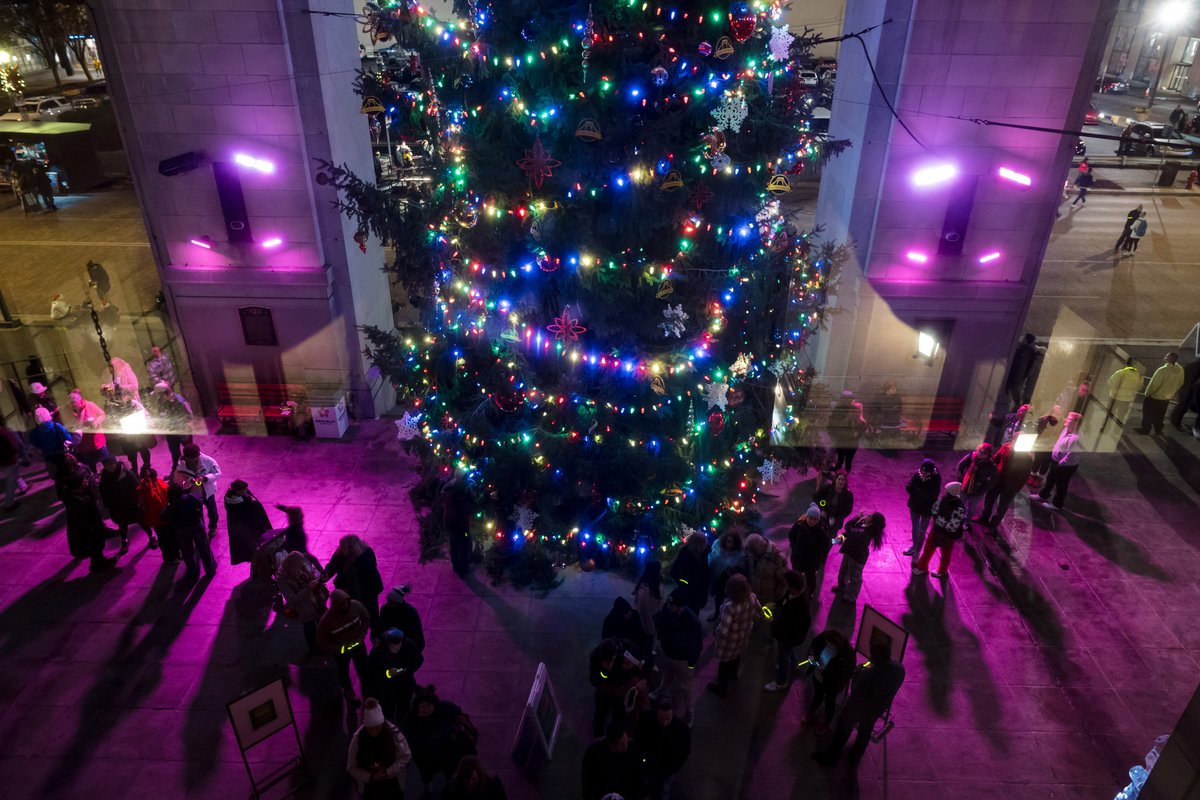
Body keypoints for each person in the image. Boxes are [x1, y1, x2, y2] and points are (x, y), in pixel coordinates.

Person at [813, 639, 905, 766]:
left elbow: (855, 689)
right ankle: (855, 757)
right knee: (865, 732)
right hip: (877, 709)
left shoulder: (869, 674)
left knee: (843, 729)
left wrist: (857, 673)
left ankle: (831, 756)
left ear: (875, 658)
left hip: (857, 708)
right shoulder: (899, 669)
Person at [402, 684, 478, 796]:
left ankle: (449, 784)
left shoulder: (444, 711)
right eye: (422, 707)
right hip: (425, 756)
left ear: (433, 704)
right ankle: (428, 786)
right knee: (427, 773)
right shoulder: (411, 721)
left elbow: (457, 713)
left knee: (449, 771)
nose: (425, 709)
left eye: (428, 706)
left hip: (445, 752)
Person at [652, 589, 702, 727]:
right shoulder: (668, 610)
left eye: (671, 605)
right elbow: (662, 624)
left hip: (683, 660)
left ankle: (690, 710)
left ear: (680, 606)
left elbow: (697, 645)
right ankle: (661, 690)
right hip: (668, 654)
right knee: (667, 676)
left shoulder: (693, 621)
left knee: (686, 686)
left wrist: (691, 664)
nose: (668, 607)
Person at [347, 697, 412, 800]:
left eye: (377, 727)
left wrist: (389, 772)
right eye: (370, 729)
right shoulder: (358, 739)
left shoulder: (394, 734)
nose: (374, 732)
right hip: (370, 786)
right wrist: (370, 777)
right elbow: (351, 766)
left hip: (392, 784)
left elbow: (405, 756)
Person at [707, 573, 759, 697]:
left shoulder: (730, 607)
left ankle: (722, 689)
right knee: (736, 655)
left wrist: (716, 632)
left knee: (724, 663)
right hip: (743, 635)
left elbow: (724, 630)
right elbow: (758, 612)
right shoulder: (752, 597)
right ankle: (733, 674)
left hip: (729, 641)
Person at [318, 588, 371, 703]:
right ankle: (348, 691)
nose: (345, 606)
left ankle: (367, 691)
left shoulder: (356, 606)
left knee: (364, 668)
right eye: (342, 604)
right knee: (343, 672)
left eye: (347, 603)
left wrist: (361, 637)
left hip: (357, 645)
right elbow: (322, 643)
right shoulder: (326, 621)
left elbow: (366, 618)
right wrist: (340, 649)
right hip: (341, 651)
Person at [164, 470, 218, 581]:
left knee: (188, 553)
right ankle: (210, 569)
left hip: (182, 531)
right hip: (196, 526)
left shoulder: (170, 507)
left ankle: (193, 574)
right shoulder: (191, 498)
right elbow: (200, 501)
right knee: (204, 548)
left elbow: (166, 518)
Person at [763, 571, 811, 692]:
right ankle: (794, 665)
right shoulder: (794, 593)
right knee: (789, 650)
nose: (785, 586)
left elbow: (793, 625)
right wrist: (776, 605)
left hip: (788, 637)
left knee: (782, 658)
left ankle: (780, 682)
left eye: (787, 584)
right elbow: (784, 600)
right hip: (789, 636)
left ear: (792, 586)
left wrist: (773, 621)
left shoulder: (801, 605)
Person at [589, 637, 648, 736]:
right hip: (605, 691)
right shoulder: (595, 657)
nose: (611, 663)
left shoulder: (625, 646)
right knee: (600, 716)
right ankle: (598, 738)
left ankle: (617, 738)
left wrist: (636, 670)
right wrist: (605, 672)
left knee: (619, 717)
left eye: (612, 659)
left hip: (621, 689)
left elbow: (641, 660)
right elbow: (594, 681)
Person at [635, 698, 691, 800]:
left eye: (668, 719)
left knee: (664, 788)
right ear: (656, 712)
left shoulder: (682, 728)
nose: (665, 723)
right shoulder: (646, 719)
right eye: (661, 719)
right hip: (649, 762)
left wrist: (674, 768)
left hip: (667, 768)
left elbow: (685, 750)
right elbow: (638, 738)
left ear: (673, 714)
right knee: (648, 783)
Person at [62, 469, 117, 573]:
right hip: (89, 531)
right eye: (83, 480)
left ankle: (100, 561)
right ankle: (97, 565)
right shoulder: (75, 501)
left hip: (94, 526)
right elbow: (80, 520)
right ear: (78, 485)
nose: (86, 481)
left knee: (97, 547)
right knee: (95, 547)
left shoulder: (82, 493)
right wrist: (93, 529)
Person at [366, 627, 424, 722]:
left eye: (399, 644)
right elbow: (371, 673)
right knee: (388, 711)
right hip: (386, 688)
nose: (398, 647)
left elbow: (418, 660)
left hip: (405, 684)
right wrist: (387, 674)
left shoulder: (408, 645)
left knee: (404, 709)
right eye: (394, 645)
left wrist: (404, 669)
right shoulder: (377, 652)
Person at [324, 534, 385, 626]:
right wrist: (326, 574)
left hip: (367, 591)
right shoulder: (340, 553)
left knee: (372, 616)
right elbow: (332, 566)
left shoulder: (366, 553)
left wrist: (354, 562)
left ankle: (374, 631)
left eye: (345, 548)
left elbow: (369, 571)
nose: (342, 550)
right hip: (349, 590)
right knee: (352, 616)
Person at [803, 628, 856, 733]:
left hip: (833, 684)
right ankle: (812, 712)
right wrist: (811, 659)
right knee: (817, 695)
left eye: (830, 644)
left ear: (836, 643)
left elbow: (844, 673)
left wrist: (826, 671)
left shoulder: (848, 654)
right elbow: (813, 648)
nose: (827, 644)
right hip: (818, 677)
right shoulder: (824, 637)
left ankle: (826, 723)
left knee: (829, 702)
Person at [278, 550, 329, 653]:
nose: (303, 565)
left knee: (324, 622)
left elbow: (314, 574)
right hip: (305, 608)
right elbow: (292, 600)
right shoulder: (283, 580)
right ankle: (314, 650)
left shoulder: (303, 565)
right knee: (310, 628)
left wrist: (321, 579)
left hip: (318, 601)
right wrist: (308, 589)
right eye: (300, 565)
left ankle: (326, 642)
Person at [912, 482, 966, 578]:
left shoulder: (959, 508)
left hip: (947, 535)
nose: (944, 492)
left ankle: (941, 570)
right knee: (929, 549)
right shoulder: (945, 500)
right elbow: (934, 509)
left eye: (947, 490)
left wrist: (939, 520)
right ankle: (923, 567)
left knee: (945, 553)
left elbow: (952, 526)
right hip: (939, 530)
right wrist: (942, 520)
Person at [98, 456, 147, 555]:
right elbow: (103, 492)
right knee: (122, 524)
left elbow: (137, 487)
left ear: (115, 463)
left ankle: (151, 536)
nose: (109, 467)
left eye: (111, 465)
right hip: (117, 506)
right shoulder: (104, 477)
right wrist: (108, 504)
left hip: (131, 503)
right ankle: (124, 541)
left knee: (141, 520)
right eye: (106, 466)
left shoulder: (127, 473)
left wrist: (139, 502)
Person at [832, 511, 885, 601]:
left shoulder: (867, 533)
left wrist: (856, 518)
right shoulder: (863, 523)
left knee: (854, 578)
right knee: (843, 571)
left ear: (872, 522)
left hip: (857, 557)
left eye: (870, 516)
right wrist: (837, 540)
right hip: (849, 551)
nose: (868, 515)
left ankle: (851, 597)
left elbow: (848, 528)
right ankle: (842, 587)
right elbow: (849, 532)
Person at [981, 441, 1034, 530]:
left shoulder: (1027, 458)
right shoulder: (1006, 447)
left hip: (1010, 485)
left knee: (1002, 506)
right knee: (989, 499)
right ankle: (984, 517)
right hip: (997, 480)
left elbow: (1025, 476)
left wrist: (1015, 488)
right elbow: (995, 459)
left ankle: (993, 525)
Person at [581, 724, 641, 800]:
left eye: (626, 740)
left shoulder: (632, 748)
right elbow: (587, 778)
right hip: (603, 791)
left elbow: (639, 772)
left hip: (626, 791)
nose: (625, 745)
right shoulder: (594, 752)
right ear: (611, 744)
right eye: (621, 743)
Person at [1038, 412, 1083, 510]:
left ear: (1075, 423)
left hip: (1066, 466)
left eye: (1069, 419)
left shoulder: (1075, 438)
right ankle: (1043, 495)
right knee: (1050, 479)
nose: (1066, 420)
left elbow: (1071, 455)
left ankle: (1057, 504)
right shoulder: (1066, 430)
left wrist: (1060, 464)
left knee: (1061, 484)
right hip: (1057, 461)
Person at [787, 503, 832, 597]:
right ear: (806, 517)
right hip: (798, 558)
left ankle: (809, 593)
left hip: (811, 561)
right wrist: (794, 547)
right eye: (810, 518)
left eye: (815, 519)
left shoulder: (821, 531)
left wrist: (819, 561)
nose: (812, 521)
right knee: (796, 576)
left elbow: (824, 548)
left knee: (810, 579)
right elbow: (791, 535)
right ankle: (795, 590)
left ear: (818, 520)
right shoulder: (799, 524)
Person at [223, 479, 272, 567]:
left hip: (247, 528)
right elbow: (248, 515)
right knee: (251, 549)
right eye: (244, 489)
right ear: (238, 491)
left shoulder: (241, 497)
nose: (247, 491)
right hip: (248, 530)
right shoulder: (240, 503)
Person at [176, 443, 221, 534]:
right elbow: (180, 476)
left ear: (198, 455)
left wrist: (205, 478)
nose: (191, 461)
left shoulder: (208, 461)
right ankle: (201, 529)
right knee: (197, 512)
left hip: (207, 491)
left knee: (212, 510)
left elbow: (218, 473)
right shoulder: (181, 463)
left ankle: (213, 526)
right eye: (188, 459)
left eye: (193, 458)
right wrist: (190, 480)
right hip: (193, 492)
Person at [1136, 352, 1185, 435]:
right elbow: (1180, 383)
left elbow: (1154, 384)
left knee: (1147, 414)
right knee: (1160, 415)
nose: (1165, 356)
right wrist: (1173, 393)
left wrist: (1148, 393)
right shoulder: (1180, 370)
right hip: (1166, 398)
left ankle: (1145, 429)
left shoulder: (1162, 370)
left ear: (1170, 359)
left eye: (1167, 356)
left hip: (1155, 397)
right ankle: (1158, 430)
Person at [149, 382, 193, 473]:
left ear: (163, 393)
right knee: (175, 453)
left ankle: (193, 471)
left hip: (182, 431)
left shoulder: (179, 401)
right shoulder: (160, 401)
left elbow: (189, 415)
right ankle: (175, 473)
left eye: (159, 395)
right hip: (170, 431)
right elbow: (160, 414)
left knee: (190, 452)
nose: (158, 397)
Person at [136, 466, 177, 562]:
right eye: (152, 479)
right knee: (164, 539)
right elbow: (149, 499)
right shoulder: (142, 489)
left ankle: (175, 554)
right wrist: (148, 485)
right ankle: (169, 558)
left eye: (155, 478)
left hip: (167, 515)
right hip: (157, 519)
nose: (155, 480)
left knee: (172, 535)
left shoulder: (159, 482)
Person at [707, 530, 748, 621]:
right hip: (719, 580)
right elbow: (711, 560)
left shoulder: (739, 554)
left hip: (730, 580)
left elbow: (742, 568)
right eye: (729, 542)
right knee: (718, 598)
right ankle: (717, 614)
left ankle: (728, 617)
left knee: (730, 601)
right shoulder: (718, 548)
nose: (731, 545)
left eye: (733, 543)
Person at [903, 459, 941, 557]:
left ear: (931, 471)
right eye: (922, 471)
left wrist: (917, 491)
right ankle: (914, 547)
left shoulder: (936, 479)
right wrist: (916, 490)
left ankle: (917, 550)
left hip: (927, 509)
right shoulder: (917, 474)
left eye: (926, 472)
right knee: (915, 528)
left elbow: (931, 496)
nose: (923, 473)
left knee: (922, 530)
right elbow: (909, 487)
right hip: (915, 506)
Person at [668, 531, 710, 616]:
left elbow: (705, 572)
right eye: (703, 543)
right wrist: (685, 583)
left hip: (699, 591)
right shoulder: (685, 553)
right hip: (687, 591)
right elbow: (674, 572)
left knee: (694, 614)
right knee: (686, 613)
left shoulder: (704, 553)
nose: (705, 545)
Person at [957, 443, 998, 523]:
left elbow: (994, 480)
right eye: (980, 451)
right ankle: (957, 519)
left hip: (977, 492)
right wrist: (961, 479)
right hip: (965, 486)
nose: (980, 454)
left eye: (984, 453)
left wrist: (983, 489)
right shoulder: (971, 457)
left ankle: (966, 522)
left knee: (971, 508)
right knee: (960, 505)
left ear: (988, 455)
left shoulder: (990, 465)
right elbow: (960, 466)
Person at [744, 532, 788, 607]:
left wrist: (776, 600)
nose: (752, 555)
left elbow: (783, 583)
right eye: (751, 552)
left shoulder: (777, 557)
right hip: (753, 599)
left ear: (762, 545)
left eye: (755, 551)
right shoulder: (750, 549)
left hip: (769, 602)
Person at [632, 560, 663, 665]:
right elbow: (644, 611)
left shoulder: (655, 584)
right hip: (648, 621)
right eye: (660, 569)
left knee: (650, 642)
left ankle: (649, 656)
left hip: (654, 617)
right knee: (646, 644)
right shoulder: (645, 590)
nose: (662, 571)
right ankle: (647, 664)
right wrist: (650, 628)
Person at [69, 388, 109, 470]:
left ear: (80, 399)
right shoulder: (69, 411)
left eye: (74, 401)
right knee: (91, 468)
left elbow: (102, 415)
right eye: (71, 401)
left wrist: (95, 423)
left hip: (97, 442)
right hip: (83, 446)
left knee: (107, 463)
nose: (73, 404)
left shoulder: (89, 405)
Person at [441, 474, 473, 576]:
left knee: (454, 544)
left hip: (450, 527)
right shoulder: (464, 505)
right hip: (463, 530)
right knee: (465, 545)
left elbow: (443, 490)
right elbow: (474, 503)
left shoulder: (448, 496)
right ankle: (464, 568)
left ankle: (455, 565)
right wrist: (485, 495)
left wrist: (453, 482)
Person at [376, 584, 425, 649]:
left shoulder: (410, 613)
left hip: (408, 644)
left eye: (391, 602)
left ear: (397, 602)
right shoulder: (385, 609)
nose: (388, 604)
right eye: (388, 601)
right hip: (393, 641)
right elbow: (381, 624)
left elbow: (414, 633)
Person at [828, 391, 866, 472]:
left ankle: (842, 471)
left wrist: (856, 434)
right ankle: (841, 470)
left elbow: (861, 424)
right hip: (846, 440)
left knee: (846, 460)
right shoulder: (840, 410)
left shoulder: (850, 409)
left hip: (847, 441)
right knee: (843, 460)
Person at [0, 417, 27, 511]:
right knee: (11, 481)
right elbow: (14, 446)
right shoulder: (4, 432)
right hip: (9, 460)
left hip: (3, 461)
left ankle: (23, 487)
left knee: (15, 475)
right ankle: (9, 503)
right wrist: (19, 454)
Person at [1004, 334, 1038, 408]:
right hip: (1019, 374)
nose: (1022, 339)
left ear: (1026, 340)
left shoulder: (1025, 350)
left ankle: (1016, 405)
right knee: (1012, 388)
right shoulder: (1029, 351)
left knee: (1012, 388)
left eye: (1024, 338)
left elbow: (1018, 362)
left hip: (1016, 373)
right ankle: (1015, 405)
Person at [1107, 358, 1142, 425]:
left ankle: (1107, 428)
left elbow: (1110, 383)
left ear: (1126, 364)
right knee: (1121, 416)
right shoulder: (1139, 375)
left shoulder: (1120, 373)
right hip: (1127, 400)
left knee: (1110, 414)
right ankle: (1117, 429)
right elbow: (1139, 387)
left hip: (1114, 397)